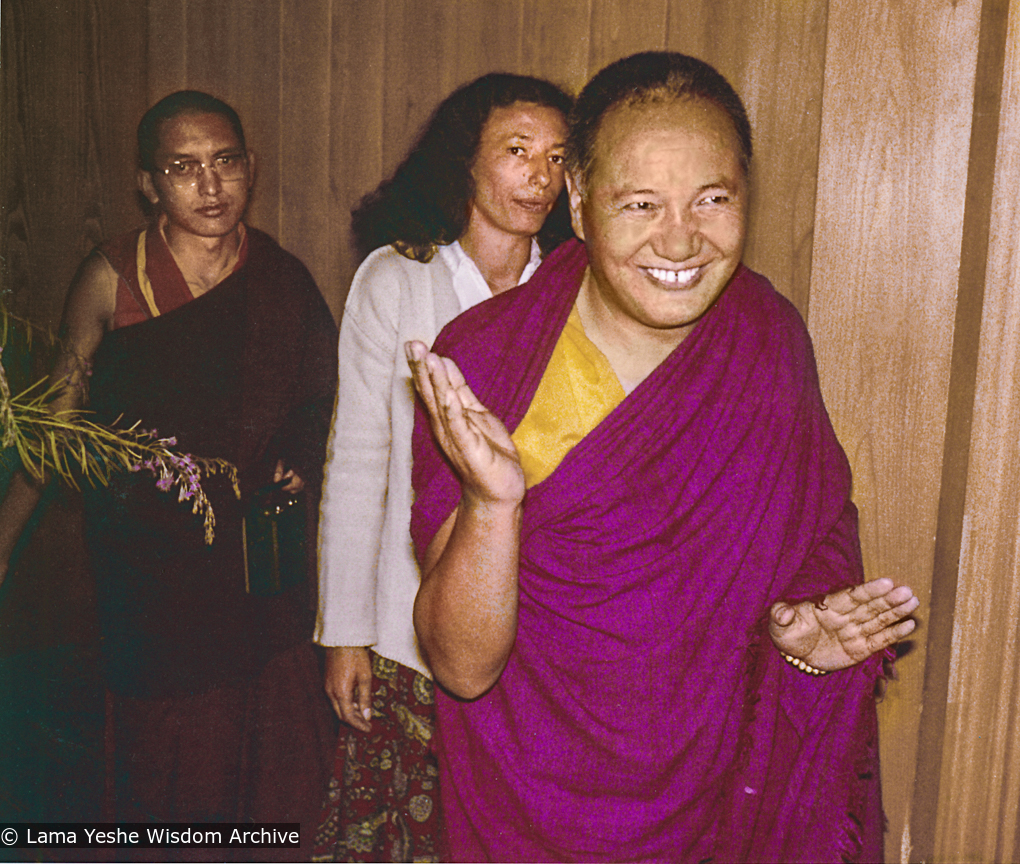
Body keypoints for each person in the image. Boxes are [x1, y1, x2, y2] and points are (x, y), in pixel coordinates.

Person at [406, 52, 920, 863]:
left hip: (713, 800)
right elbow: (463, 670)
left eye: (712, 200)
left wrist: (801, 640)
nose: (680, 238)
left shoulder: (765, 338)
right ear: (577, 201)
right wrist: (492, 503)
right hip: (529, 799)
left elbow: (809, 535)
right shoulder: (488, 360)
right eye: (640, 203)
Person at [0, 91, 338, 855]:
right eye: (183, 169)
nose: (210, 186)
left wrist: (294, 455)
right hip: (151, 572)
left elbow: (319, 399)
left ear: (250, 170)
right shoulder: (112, 277)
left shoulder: (280, 278)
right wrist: (4, 534)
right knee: (170, 769)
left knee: (277, 755)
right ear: (149, 184)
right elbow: (59, 424)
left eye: (224, 164)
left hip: (259, 566)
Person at [312, 73, 572, 862]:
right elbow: (358, 462)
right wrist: (345, 633)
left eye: (558, 159)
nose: (539, 176)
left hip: (540, 628)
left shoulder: (576, 286)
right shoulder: (400, 278)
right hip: (409, 621)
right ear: (465, 161)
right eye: (518, 151)